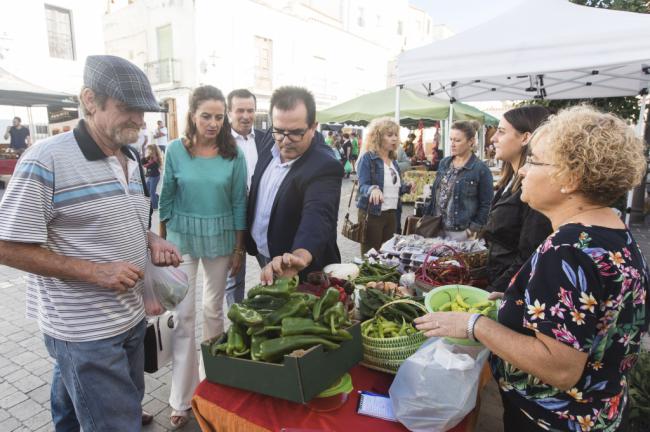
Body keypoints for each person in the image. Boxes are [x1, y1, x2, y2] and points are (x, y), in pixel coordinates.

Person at [415, 106, 649, 431]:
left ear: (571, 178)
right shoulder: (613, 231)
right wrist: (516, 303)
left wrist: (474, 325)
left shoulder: (568, 250)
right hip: (601, 414)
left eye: (535, 160)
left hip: (553, 421)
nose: (523, 170)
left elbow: (560, 368)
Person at [0, 55, 181, 431]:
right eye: (128, 108)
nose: (139, 120)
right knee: (115, 422)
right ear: (89, 100)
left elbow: (118, 217)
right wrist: (95, 272)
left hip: (129, 317)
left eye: (142, 111)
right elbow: (7, 245)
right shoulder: (45, 160)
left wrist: (149, 240)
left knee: (78, 407)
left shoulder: (129, 155)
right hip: (85, 332)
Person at [159, 85, 247, 428]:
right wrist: (161, 245)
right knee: (182, 317)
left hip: (222, 238)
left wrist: (240, 247)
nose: (213, 123)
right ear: (192, 115)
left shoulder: (233, 153)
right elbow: (165, 198)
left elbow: (240, 201)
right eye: (206, 116)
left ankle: (214, 387)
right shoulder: (175, 151)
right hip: (181, 238)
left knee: (213, 311)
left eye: (219, 117)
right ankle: (181, 397)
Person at [247, 86, 344, 284]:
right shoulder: (270, 138)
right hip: (264, 253)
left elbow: (318, 216)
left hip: (302, 270)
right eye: (279, 131)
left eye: (296, 133)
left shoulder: (324, 165)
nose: (285, 140)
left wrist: (300, 255)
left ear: (313, 127)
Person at [482, 106, 553, 292]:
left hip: (510, 291)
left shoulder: (534, 189)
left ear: (525, 137)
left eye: (501, 131)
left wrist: (493, 292)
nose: (493, 138)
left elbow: (528, 256)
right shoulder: (510, 180)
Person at [224, 88, 268, 307]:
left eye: (250, 110)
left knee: (274, 275)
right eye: (240, 110)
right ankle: (237, 325)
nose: (246, 116)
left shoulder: (266, 139)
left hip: (262, 219)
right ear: (229, 112)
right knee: (233, 281)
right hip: (232, 224)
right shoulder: (219, 142)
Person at [423, 120, 493, 240]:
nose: (452, 144)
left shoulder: (480, 169)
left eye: (457, 140)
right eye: (451, 139)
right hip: (436, 227)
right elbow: (436, 194)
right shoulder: (445, 163)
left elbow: (486, 204)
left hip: (461, 231)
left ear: (471, 141)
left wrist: (471, 231)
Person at [356, 118, 412, 254]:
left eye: (396, 135)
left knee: (388, 255)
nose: (394, 139)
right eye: (389, 135)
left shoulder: (394, 162)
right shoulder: (368, 158)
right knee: (371, 256)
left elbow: (394, 189)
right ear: (378, 137)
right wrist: (373, 189)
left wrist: (407, 187)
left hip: (393, 214)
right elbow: (362, 186)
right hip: (373, 214)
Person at [142, 143, 163, 210]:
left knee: (151, 192)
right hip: (151, 177)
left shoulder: (155, 159)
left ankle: (155, 206)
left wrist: (146, 165)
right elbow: (142, 161)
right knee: (147, 190)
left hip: (155, 177)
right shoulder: (149, 157)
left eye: (149, 150)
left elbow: (150, 166)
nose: (147, 151)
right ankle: (157, 198)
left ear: (152, 150)